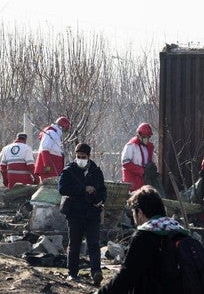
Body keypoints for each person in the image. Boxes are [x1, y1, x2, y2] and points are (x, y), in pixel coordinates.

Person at [97, 185, 190, 293]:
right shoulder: (181, 232)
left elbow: (126, 277)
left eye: (133, 212)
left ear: (140, 212)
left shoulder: (145, 235)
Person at [58, 143, 106, 286]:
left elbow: (103, 190)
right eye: (78, 157)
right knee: (74, 245)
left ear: (89, 156)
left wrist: (100, 199)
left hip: (92, 213)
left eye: (83, 157)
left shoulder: (96, 171)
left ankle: (96, 272)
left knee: (93, 244)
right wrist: (83, 188)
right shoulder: (68, 171)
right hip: (75, 213)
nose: (80, 159)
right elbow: (62, 189)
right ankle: (72, 273)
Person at [121, 123, 156, 192]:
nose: (147, 139)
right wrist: (142, 171)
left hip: (144, 183)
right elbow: (125, 163)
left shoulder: (149, 147)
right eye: (145, 137)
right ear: (139, 135)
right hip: (132, 184)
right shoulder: (131, 145)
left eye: (148, 137)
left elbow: (149, 161)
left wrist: (152, 168)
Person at [34, 116, 71, 182]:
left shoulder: (55, 134)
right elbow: (44, 149)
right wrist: (47, 166)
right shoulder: (51, 133)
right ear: (62, 126)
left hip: (54, 169)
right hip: (50, 169)